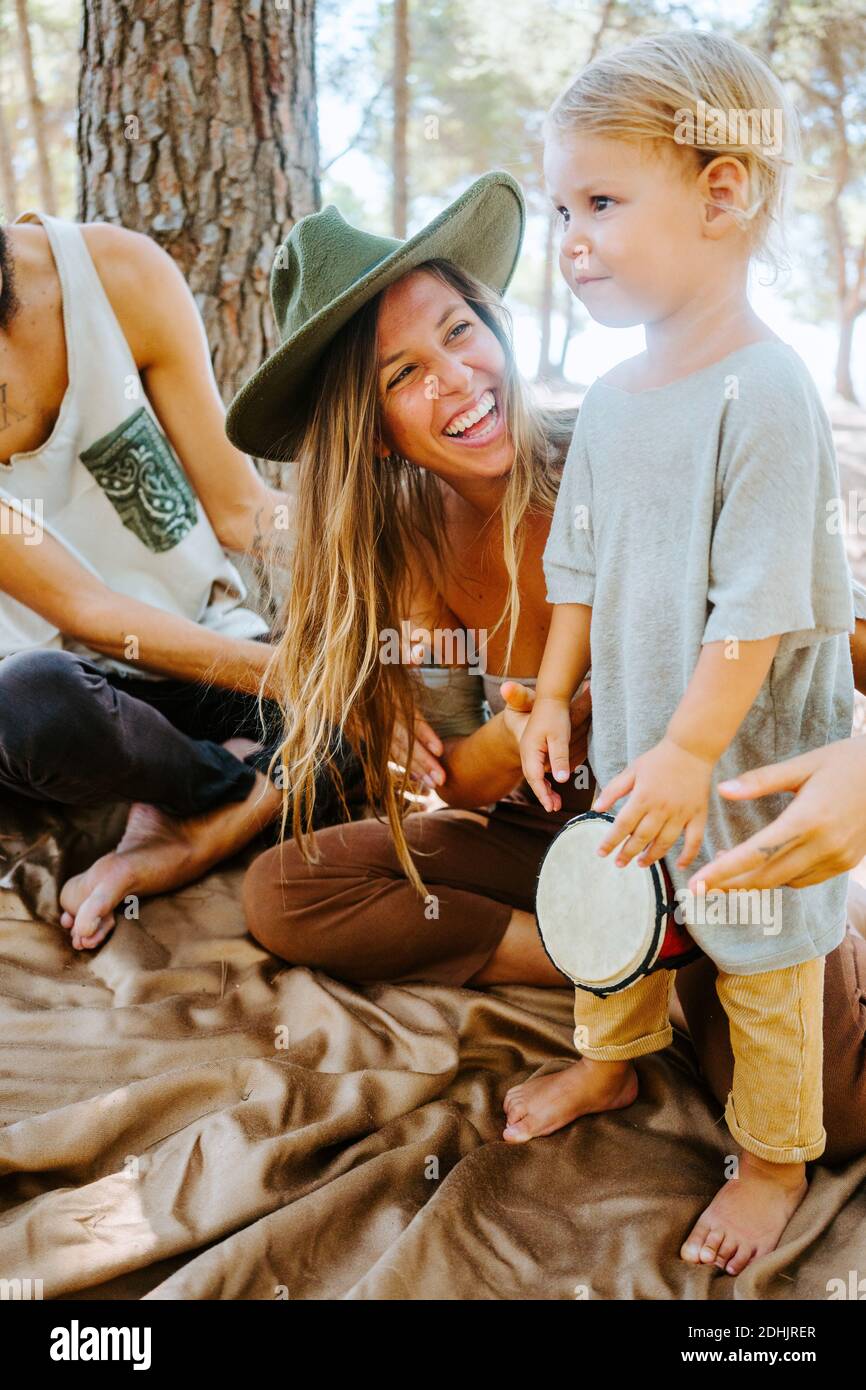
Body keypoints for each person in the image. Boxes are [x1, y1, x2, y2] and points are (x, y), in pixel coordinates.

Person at [223, 173, 866, 1192]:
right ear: (373, 425)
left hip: (717, 822)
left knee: (827, 1116)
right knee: (288, 888)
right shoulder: (407, 561)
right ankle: (624, 954)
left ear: (494, 322)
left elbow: (834, 629)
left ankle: (692, 952)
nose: (456, 379)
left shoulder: (630, 444)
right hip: (559, 836)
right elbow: (468, 778)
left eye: (458, 331)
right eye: (402, 373)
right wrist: (534, 716)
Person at [514, 31, 855, 1275]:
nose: (572, 236)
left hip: (742, 768)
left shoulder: (763, 391)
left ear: (722, 192)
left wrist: (690, 750)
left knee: (765, 965)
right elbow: (581, 571)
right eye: (562, 206)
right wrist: (554, 698)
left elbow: (755, 609)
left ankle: (770, 1159)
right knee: (611, 915)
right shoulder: (608, 398)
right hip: (634, 758)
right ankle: (609, 1064)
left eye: (602, 200)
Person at [0, 210, 359, 948]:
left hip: (201, 653)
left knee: (354, 721)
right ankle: (231, 790)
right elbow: (88, 610)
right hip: (56, 696)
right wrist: (305, 677)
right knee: (34, 701)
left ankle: (179, 834)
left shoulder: (116, 274)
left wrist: (373, 551)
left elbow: (241, 510)